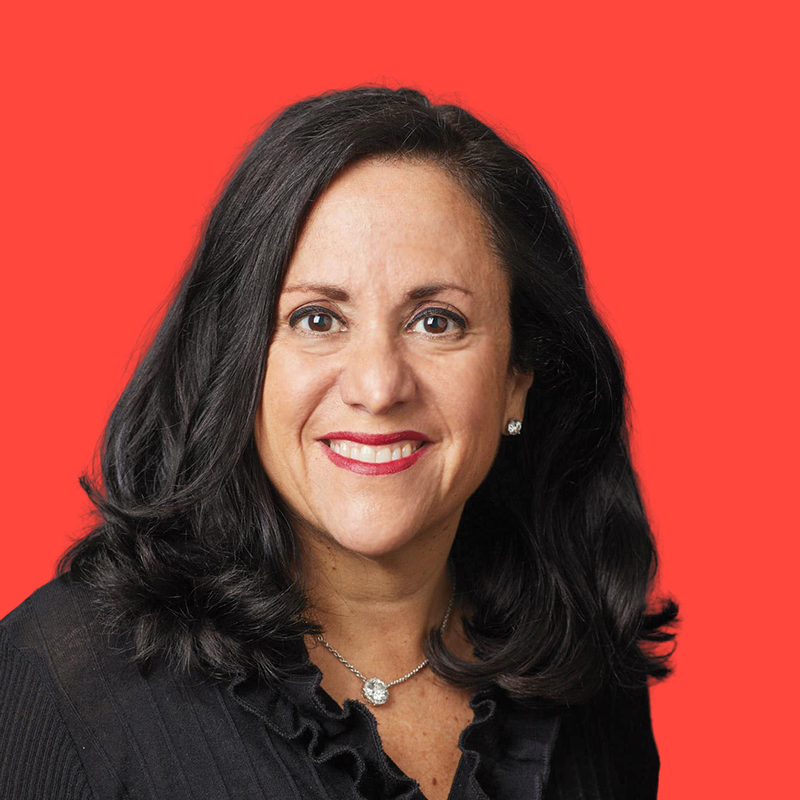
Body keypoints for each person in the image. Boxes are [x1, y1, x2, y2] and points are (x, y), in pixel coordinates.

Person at [0, 85, 678, 799]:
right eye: (318, 320)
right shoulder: (58, 685)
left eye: (437, 321)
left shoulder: (582, 672)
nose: (379, 387)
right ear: (242, 363)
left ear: (517, 376)